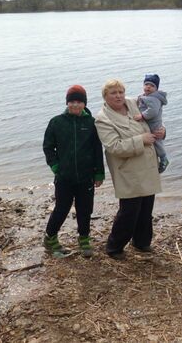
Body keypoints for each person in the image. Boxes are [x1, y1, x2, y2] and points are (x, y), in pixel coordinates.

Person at [94, 79, 163, 260]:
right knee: (129, 211)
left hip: (147, 166)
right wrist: (141, 140)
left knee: (146, 207)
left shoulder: (133, 103)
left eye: (120, 92)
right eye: (113, 93)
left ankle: (141, 242)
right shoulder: (102, 119)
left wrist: (162, 131)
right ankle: (114, 247)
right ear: (105, 96)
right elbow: (114, 147)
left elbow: (153, 119)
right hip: (128, 170)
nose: (118, 96)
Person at [42, 85, 105, 258]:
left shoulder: (91, 123)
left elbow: (97, 150)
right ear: (67, 103)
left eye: (79, 102)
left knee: (85, 209)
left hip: (86, 177)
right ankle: (50, 238)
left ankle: (84, 239)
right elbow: (48, 147)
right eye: (72, 102)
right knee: (61, 208)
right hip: (64, 177)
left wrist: (99, 173)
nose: (75, 105)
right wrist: (55, 166)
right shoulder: (57, 122)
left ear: (84, 104)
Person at [134, 73, 169, 173]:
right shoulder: (144, 97)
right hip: (150, 125)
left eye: (152, 85)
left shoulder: (154, 98)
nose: (148, 87)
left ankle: (163, 158)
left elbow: (153, 111)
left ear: (156, 89)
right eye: (146, 85)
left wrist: (142, 116)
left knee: (157, 142)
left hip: (154, 124)